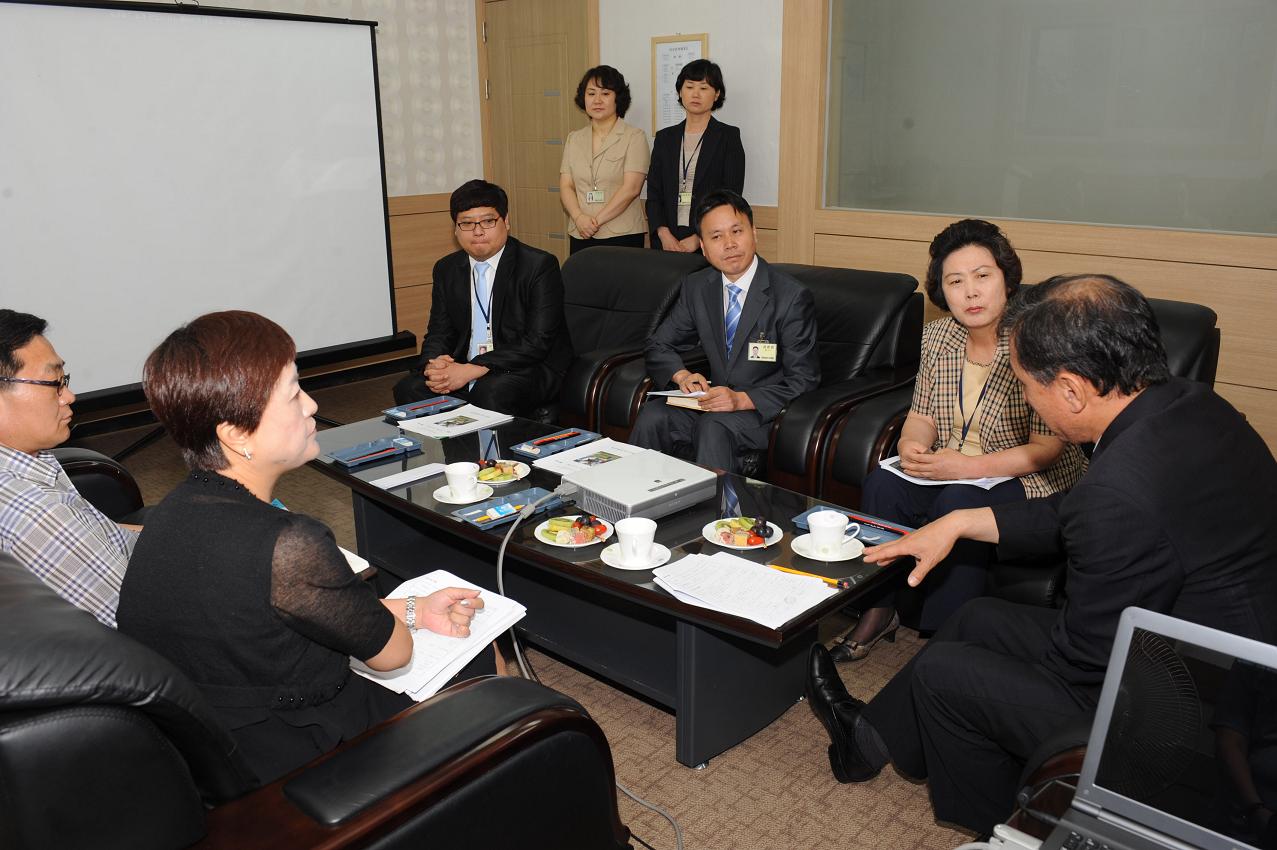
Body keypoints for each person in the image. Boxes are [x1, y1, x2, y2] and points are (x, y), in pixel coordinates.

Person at [805, 274, 1277, 836]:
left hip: (1190, 714)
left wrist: (996, 678)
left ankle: (1011, 829)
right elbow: (1074, 512)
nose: (1024, 396)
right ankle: (864, 743)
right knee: (978, 616)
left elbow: (1085, 655)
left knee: (944, 674)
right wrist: (960, 522)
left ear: (1073, 390)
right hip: (1225, 659)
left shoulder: (1121, 491)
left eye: (1026, 384)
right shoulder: (1189, 405)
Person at [118, 311, 494, 785]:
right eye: (294, 394)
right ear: (235, 432)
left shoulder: (170, 513)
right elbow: (394, 656)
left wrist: (412, 608)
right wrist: (404, 622)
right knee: (483, 658)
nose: (312, 405)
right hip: (309, 758)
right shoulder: (290, 543)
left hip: (226, 757)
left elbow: (280, 616)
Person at [830, 220, 1085, 662]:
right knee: (882, 484)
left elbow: (1047, 449)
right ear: (941, 291)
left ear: (1007, 279)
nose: (971, 292)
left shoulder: (1037, 340)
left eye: (982, 276)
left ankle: (948, 640)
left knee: (959, 502)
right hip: (951, 467)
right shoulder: (937, 337)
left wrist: (965, 468)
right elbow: (922, 414)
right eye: (956, 281)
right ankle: (878, 608)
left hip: (1028, 474)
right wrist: (911, 444)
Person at [629, 189, 820, 474]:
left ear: (754, 233)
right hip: (714, 405)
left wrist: (740, 399)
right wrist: (683, 377)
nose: (729, 244)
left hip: (764, 413)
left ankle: (717, 517)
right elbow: (659, 344)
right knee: (655, 414)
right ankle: (632, 507)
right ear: (703, 248)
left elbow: (804, 379)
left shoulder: (790, 297)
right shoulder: (697, 288)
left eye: (736, 231)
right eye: (716, 237)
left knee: (713, 425)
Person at [0, 308, 138, 627]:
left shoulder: (26, 455)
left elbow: (103, 534)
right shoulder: (35, 513)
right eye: (54, 383)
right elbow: (140, 624)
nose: (70, 397)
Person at [392, 180, 572, 416]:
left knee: (490, 392)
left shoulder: (538, 266)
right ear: (455, 229)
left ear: (506, 221)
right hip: (467, 365)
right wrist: (433, 365)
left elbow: (537, 342)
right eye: (466, 223)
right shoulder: (447, 268)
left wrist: (475, 367)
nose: (477, 231)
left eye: (488, 221)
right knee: (409, 389)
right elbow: (439, 331)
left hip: (527, 366)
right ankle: (447, 453)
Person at [646, 59, 745, 254]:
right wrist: (663, 233)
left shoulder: (728, 137)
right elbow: (654, 192)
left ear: (716, 94)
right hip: (666, 242)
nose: (695, 94)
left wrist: (701, 237)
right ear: (680, 92)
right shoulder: (665, 138)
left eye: (704, 87)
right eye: (689, 86)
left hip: (710, 241)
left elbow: (730, 195)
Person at [559, 65, 649, 254]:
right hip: (581, 232)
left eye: (605, 94)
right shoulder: (574, 138)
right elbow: (566, 185)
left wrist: (596, 221)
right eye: (591, 93)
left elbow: (631, 189)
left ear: (618, 98)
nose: (597, 100)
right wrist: (579, 218)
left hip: (621, 234)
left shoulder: (634, 136)